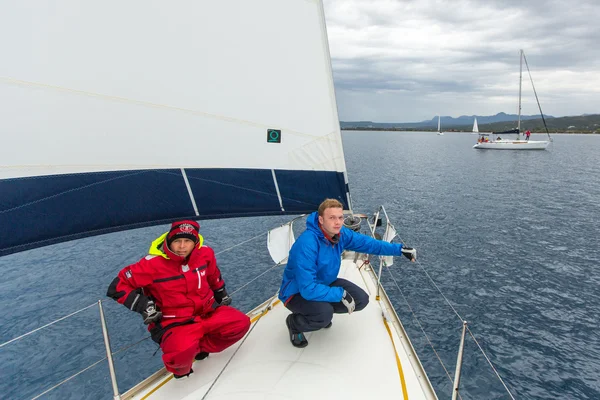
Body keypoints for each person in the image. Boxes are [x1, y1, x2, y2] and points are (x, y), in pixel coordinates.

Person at [107, 220, 250, 379]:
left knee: (241, 324)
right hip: (174, 322)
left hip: (207, 313)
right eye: (177, 241)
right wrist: (144, 305)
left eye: (187, 241)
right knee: (179, 356)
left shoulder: (205, 253)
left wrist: (220, 292)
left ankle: (198, 348)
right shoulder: (151, 264)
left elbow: (213, 274)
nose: (182, 246)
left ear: (195, 242)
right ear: (169, 240)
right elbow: (117, 287)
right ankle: (182, 368)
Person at [279, 199, 417, 348]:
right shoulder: (307, 244)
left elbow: (368, 243)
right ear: (321, 219)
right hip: (296, 293)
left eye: (340, 217)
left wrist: (399, 249)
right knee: (324, 314)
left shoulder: (340, 234)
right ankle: (295, 324)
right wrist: (340, 294)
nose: (337, 222)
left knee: (361, 299)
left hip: (323, 282)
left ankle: (319, 313)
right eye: (331, 218)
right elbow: (307, 288)